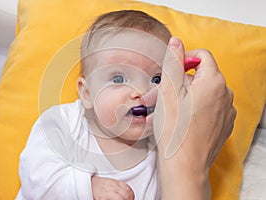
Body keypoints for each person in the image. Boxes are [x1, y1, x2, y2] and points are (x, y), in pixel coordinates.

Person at [16, 10, 236, 200]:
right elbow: (34, 174)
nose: (140, 92)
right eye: (118, 79)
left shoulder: (164, 146)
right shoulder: (65, 123)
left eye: (157, 79)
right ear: (87, 93)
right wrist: (88, 188)